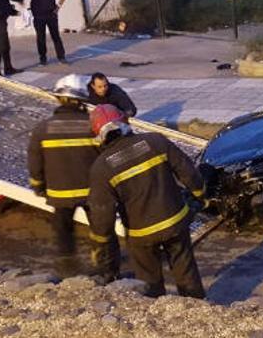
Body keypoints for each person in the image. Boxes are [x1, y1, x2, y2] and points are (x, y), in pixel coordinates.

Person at [87, 104, 207, 298]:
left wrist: (105, 258)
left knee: (148, 282)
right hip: (175, 221)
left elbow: (103, 218)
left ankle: (155, 317)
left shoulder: (101, 168)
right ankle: (198, 308)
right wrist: (201, 196)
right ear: (125, 122)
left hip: (141, 234)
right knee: (186, 270)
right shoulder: (155, 141)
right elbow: (188, 172)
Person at [27, 75, 117, 276]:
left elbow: (35, 161)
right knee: (100, 231)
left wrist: (38, 186)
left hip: (60, 193)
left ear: (60, 98)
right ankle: (104, 270)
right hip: (92, 192)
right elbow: (106, 156)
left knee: (64, 233)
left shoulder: (44, 127)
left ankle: (67, 271)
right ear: (82, 100)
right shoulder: (93, 126)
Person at [19, 0, 68, 66]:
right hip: (38, 15)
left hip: (51, 14)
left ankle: (61, 57)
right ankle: (43, 58)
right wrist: (24, 8)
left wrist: (58, 6)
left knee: (56, 36)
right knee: (40, 37)